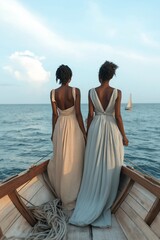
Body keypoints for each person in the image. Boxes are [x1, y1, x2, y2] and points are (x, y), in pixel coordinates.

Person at [69, 60, 128, 227]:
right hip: (111, 128)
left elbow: (90, 114)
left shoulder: (91, 92)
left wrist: (87, 133)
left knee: (94, 161)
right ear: (111, 76)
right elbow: (118, 116)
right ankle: (106, 195)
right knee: (111, 161)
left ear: (99, 75)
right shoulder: (117, 92)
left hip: (95, 128)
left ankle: (90, 196)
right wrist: (124, 136)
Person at [47, 64, 86, 211]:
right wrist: (85, 132)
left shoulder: (52, 92)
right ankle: (74, 192)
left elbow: (55, 114)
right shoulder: (75, 91)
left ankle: (63, 191)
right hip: (74, 126)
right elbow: (78, 114)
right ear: (70, 77)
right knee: (75, 158)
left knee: (62, 157)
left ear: (58, 77)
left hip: (60, 127)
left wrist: (52, 133)